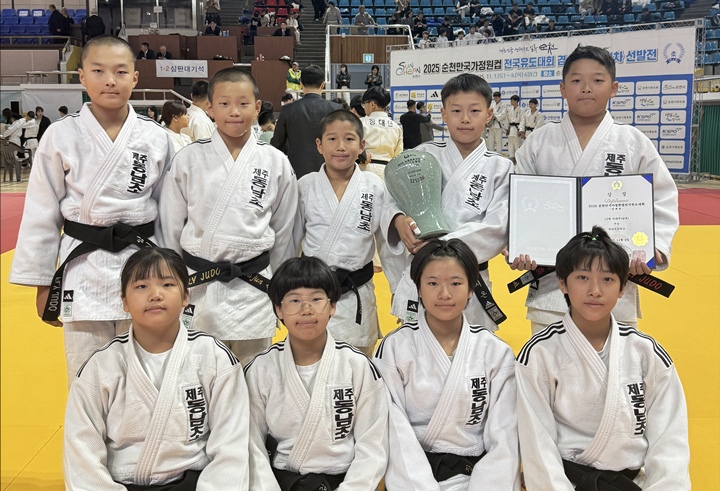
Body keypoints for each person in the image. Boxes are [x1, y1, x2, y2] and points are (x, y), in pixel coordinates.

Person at [8, 35, 173, 384]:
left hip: (143, 264)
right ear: (81, 77)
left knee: (148, 376)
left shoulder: (156, 137)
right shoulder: (60, 135)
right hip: (83, 267)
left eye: (120, 71)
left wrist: (175, 275)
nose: (110, 80)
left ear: (135, 78)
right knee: (87, 378)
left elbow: (169, 213)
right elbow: (41, 213)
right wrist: (43, 285)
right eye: (98, 71)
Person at [63, 247, 271, 489]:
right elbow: (81, 452)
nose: (155, 295)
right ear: (124, 301)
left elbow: (231, 446)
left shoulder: (214, 358)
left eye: (167, 285)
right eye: (142, 286)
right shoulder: (101, 366)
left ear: (186, 296)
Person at [512, 45, 679, 334]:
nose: (586, 88)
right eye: (576, 80)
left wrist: (655, 246)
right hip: (552, 287)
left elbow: (662, 198)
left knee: (616, 359)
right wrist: (518, 243)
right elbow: (518, 200)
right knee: (547, 358)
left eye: (597, 80)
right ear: (563, 89)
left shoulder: (632, 141)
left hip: (614, 283)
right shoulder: (540, 141)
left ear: (613, 88)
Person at [516, 227, 690, 489]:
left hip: (633, 482)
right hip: (566, 482)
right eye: (582, 278)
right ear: (562, 283)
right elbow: (537, 443)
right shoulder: (538, 354)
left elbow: (670, 440)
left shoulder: (646, 353)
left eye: (607, 279)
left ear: (622, 287)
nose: (595, 290)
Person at [159, 68, 298, 366]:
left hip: (255, 287)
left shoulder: (276, 161)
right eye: (224, 104)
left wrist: (281, 288)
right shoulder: (187, 159)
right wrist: (172, 283)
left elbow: (284, 231)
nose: (234, 112)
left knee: (256, 375)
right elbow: (170, 227)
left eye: (243, 103)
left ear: (257, 107)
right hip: (199, 286)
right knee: (200, 375)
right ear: (209, 108)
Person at [374, 238, 520, 490]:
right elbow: (393, 430)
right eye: (432, 283)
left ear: (471, 288)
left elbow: (505, 437)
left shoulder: (495, 352)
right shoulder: (395, 348)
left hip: (476, 476)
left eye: (455, 283)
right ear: (418, 288)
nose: (444, 294)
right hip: (413, 476)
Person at [245, 256, 389, 489]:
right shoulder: (261, 369)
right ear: (278, 309)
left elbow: (374, 445)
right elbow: (251, 445)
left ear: (332, 306)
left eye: (316, 299)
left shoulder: (357, 366)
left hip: (343, 481)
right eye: (294, 300)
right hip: (282, 483)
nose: (306, 310)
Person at [386, 73, 512, 329]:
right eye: (456, 111)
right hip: (423, 272)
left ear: (489, 114)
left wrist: (439, 245)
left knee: (471, 348)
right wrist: (397, 219)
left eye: (474, 111)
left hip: (469, 273)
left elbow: (497, 228)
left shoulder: (500, 167)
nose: (465, 119)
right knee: (415, 346)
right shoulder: (423, 155)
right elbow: (393, 199)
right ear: (443, 114)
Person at [294, 109, 399, 355]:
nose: (340, 146)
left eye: (349, 139)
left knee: (358, 362)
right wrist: (283, 289)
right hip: (312, 292)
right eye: (332, 139)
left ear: (362, 145)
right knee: (310, 360)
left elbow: (387, 244)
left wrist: (398, 287)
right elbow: (291, 241)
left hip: (357, 291)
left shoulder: (374, 186)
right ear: (319, 145)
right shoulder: (305, 186)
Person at [272, 65, 342, 177]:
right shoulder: (336, 109)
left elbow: (277, 144)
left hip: (297, 171)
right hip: (329, 171)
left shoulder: (288, 109)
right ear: (323, 85)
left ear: (301, 84)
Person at [360, 86, 402, 171]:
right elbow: (398, 156)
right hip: (386, 170)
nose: (364, 107)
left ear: (372, 104)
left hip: (364, 168)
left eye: (364, 104)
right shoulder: (396, 127)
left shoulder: (361, 123)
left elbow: (352, 146)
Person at [505, 94, 522, 165]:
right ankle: (512, 160)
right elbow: (507, 120)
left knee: (517, 146)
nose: (511, 102)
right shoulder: (509, 109)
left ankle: (518, 161)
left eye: (512, 100)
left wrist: (520, 130)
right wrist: (507, 129)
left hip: (517, 129)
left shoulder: (521, 110)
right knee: (510, 146)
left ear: (516, 101)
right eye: (511, 100)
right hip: (511, 129)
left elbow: (522, 120)